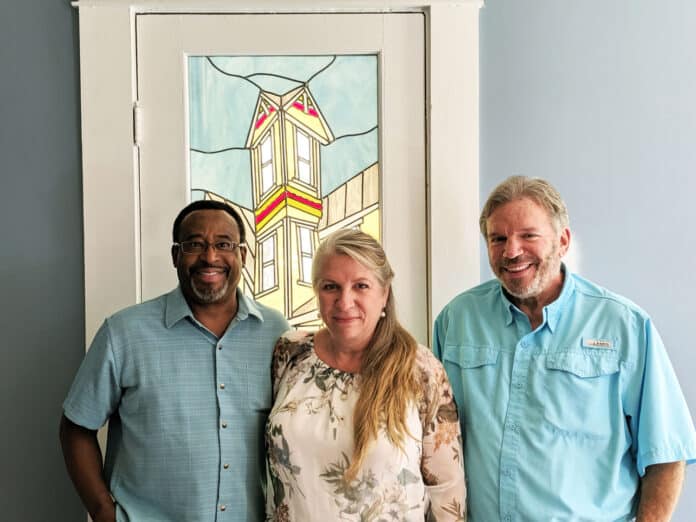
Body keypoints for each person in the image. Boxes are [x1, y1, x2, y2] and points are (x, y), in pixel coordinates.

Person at [434, 175, 696, 521]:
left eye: (528, 235)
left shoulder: (625, 326)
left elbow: (665, 453)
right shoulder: (457, 320)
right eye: (498, 238)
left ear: (563, 241)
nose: (511, 251)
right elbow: (431, 441)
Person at [60, 200, 289, 522]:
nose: (210, 257)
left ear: (243, 255)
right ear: (175, 256)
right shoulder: (123, 333)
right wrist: (102, 511)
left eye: (223, 244)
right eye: (195, 244)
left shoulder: (278, 334)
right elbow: (76, 428)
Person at [266, 229, 466, 521]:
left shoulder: (420, 370)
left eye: (361, 286)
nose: (344, 301)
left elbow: (447, 491)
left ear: (384, 293)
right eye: (330, 286)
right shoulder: (289, 353)